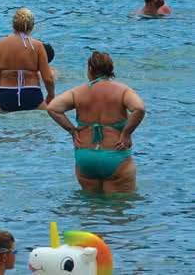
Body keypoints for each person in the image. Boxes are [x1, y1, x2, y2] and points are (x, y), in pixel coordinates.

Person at [46, 51, 145, 194]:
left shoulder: (78, 92)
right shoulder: (123, 91)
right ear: (111, 70)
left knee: (90, 209)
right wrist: (126, 133)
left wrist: (72, 130)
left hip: (86, 156)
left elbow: (53, 108)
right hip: (114, 155)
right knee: (118, 209)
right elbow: (139, 108)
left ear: (90, 70)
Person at [0, 8, 53, 112]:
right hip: (31, 93)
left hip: (6, 94)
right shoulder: (37, 46)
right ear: (31, 25)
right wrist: (51, 95)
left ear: (13, 24)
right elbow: (48, 78)